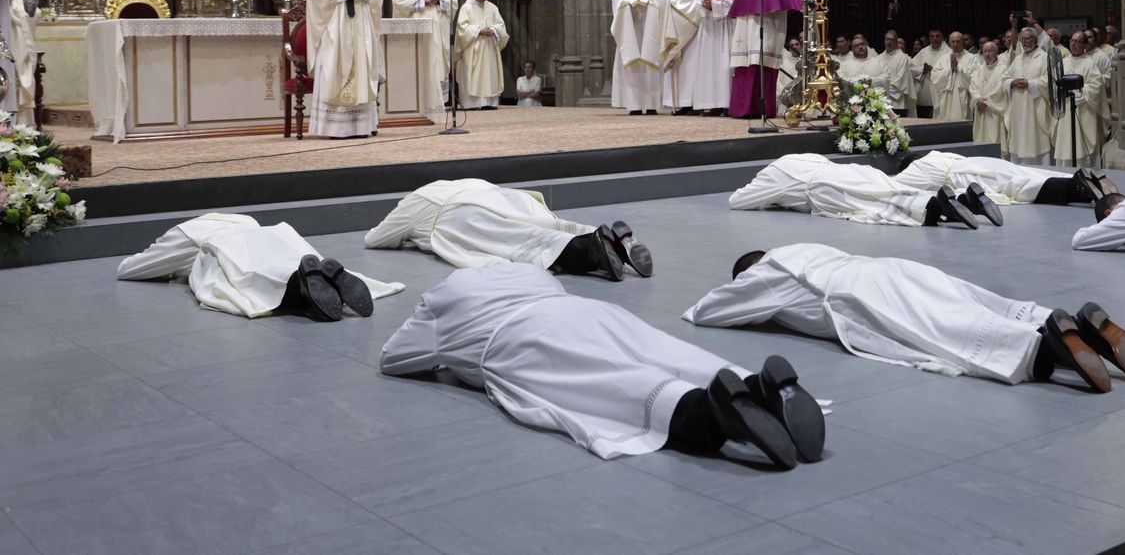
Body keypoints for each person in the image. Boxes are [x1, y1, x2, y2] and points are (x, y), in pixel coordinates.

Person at [380, 265, 824, 468]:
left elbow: (393, 359)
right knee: (663, 351)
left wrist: (447, 356)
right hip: (587, 309)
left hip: (520, 337)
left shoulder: (442, 297)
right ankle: (757, 386)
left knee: (614, 382)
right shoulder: (526, 270)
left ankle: (705, 414)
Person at [684, 244, 1125, 393]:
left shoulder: (766, 271)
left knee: (941, 331)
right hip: (889, 267)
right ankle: (1064, 324)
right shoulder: (808, 249)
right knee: (968, 302)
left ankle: (1046, 349)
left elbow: (708, 311)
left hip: (861, 293)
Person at [118, 213, 403, 320]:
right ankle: (321, 279)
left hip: (224, 245)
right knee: (285, 260)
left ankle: (300, 289)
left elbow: (131, 270)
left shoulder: (183, 232)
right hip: (269, 234)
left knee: (243, 276)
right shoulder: (241, 218)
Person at [363, 178, 653, 280]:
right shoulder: (451, 182)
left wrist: (410, 238)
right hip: (497, 193)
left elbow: (376, 239)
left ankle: (590, 250)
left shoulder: (411, 203)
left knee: (526, 242)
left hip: (459, 213)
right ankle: (615, 239)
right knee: (545, 223)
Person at [728, 152, 999, 229]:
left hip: (825, 188)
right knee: (891, 187)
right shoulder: (797, 156)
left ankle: (937, 207)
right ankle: (966, 199)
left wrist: (774, 198)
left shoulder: (772, 176)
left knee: (876, 206)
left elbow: (737, 201)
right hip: (850, 170)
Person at [303, 0, 384, 138]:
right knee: (335, 71)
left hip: (359, 30)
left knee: (361, 72)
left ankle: (361, 127)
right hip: (334, 32)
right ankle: (335, 128)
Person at [727, 0, 802, 119]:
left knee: (760, 67)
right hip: (746, 28)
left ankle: (760, 109)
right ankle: (742, 109)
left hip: (766, 27)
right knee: (745, 67)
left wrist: (797, 5)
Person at [896, 149, 1112, 207]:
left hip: (967, 176)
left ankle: (1077, 188)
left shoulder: (914, 170)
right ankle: (1085, 180)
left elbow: (895, 184)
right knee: (1025, 173)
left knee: (1022, 188)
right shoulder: (936, 154)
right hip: (981, 162)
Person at [610, 0, 669, 115]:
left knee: (650, 56)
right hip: (631, 19)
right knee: (632, 57)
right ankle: (634, 105)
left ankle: (651, 104)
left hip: (649, 19)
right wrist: (627, 0)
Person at [392, 0, 457, 105]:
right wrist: (421, 0)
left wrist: (439, 0)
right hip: (416, 39)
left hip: (436, 38)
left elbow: (454, 2)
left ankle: (437, 103)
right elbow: (398, 3)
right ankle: (415, 102)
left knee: (437, 66)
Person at [689, 0, 740, 115]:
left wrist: (717, 5)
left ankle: (726, 104)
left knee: (724, 66)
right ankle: (712, 103)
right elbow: (697, 1)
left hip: (725, 27)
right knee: (709, 66)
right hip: (709, 27)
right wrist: (704, 4)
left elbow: (737, 1)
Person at [1054, 31, 1108, 168]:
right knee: (1066, 145)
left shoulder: (1090, 64)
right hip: (1065, 110)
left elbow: (1097, 86)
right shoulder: (1063, 62)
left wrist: (1076, 92)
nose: (1073, 44)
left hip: (1083, 111)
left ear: (1084, 45)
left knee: (1080, 145)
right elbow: (1054, 82)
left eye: (1077, 41)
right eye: (1072, 40)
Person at [1000, 24, 1052, 165]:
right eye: (1022, 39)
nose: (1025, 42)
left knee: (1035, 141)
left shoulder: (1044, 57)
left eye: (1028, 38)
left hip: (1035, 109)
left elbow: (1050, 80)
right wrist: (1012, 82)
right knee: (1018, 141)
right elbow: (1004, 78)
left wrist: (1031, 83)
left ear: (1035, 40)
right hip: (1018, 109)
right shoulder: (1018, 59)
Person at [661, 0, 704, 114]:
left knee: (690, 68)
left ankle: (691, 103)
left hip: (691, 33)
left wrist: (672, 1)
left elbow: (690, 4)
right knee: (679, 69)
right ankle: (679, 103)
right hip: (678, 31)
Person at [454, 0, 509, 109]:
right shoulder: (466, 7)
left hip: (489, 48)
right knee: (473, 76)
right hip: (473, 49)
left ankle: (489, 103)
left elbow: (501, 26)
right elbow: (462, 28)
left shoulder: (492, 8)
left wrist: (494, 29)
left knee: (489, 75)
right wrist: (479, 30)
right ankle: (472, 104)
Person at [969, 39, 1009, 145]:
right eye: (985, 51)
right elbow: (973, 88)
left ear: (996, 52)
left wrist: (986, 102)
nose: (987, 54)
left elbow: (1001, 87)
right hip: (981, 111)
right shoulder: (978, 71)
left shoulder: (1003, 69)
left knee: (995, 141)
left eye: (990, 51)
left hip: (995, 110)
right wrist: (978, 100)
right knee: (981, 141)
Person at [932, 32, 975, 121]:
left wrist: (958, 68)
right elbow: (935, 77)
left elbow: (975, 78)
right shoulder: (943, 58)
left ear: (963, 42)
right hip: (946, 97)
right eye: (953, 42)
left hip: (963, 96)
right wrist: (949, 69)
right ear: (949, 43)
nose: (955, 44)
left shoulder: (972, 58)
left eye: (958, 41)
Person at [876, 32, 917, 115]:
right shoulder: (878, 58)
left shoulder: (902, 58)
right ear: (884, 41)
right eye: (887, 39)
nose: (889, 42)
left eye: (892, 40)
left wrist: (886, 89)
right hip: (881, 101)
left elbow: (902, 79)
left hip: (897, 102)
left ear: (896, 42)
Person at [910, 29, 947, 117]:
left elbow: (950, 73)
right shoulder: (923, 52)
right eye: (932, 36)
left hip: (941, 96)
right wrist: (922, 70)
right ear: (929, 38)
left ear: (942, 37)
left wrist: (933, 70)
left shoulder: (948, 52)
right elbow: (912, 68)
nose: (935, 39)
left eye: (937, 36)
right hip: (923, 96)